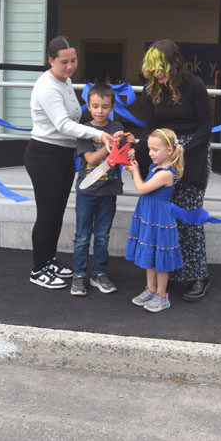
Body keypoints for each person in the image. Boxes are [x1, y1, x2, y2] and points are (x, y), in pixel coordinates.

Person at [25, 36, 115, 289]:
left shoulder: (64, 81)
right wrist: (100, 134)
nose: (69, 66)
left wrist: (107, 126)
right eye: (63, 62)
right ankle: (38, 269)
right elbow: (64, 125)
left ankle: (49, 260)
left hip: (62, 155)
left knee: (56, 214)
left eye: (73, 60)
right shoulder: (48, 86)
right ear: (50, 60)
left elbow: (75, 118)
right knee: (47, 214)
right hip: (45, 155)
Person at [136, 40, 213, 302]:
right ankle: (171, 276)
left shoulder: (194, 86)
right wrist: (149, 148)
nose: (157, 74)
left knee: (189, 219)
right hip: (162, 157)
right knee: (166, 222)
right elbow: (149, 126)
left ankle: (198, 276)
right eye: (152, 69)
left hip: (193, 156)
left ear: (173, 63)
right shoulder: (150, 90)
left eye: (160, 68)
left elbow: (206, 127)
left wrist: (181, 149)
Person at [71, 83, 134, 296]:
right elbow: (89, 159)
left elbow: (125, 157)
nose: (100, 111)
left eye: (105, 106)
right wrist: (110, 151)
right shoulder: (84, 131)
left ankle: (98, 273)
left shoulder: (117, 127)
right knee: (82, 236)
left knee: (102, 236)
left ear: (113, 106)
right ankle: (78, 275)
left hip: (109, 191)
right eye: (95, 106)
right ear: (88, 106)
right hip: (86, 192)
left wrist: (129, 147)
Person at [126, 128, 185, 313]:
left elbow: (142, 189)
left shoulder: (166, 173)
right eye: (150, 149)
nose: (150, 153)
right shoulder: (155, 167)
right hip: (149, 216)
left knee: (160, 258)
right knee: (149, 254)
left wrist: (135, 171)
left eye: (155, 149)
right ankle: (150, 289)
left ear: (169, 150)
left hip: (160, 219)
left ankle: (162, 295)